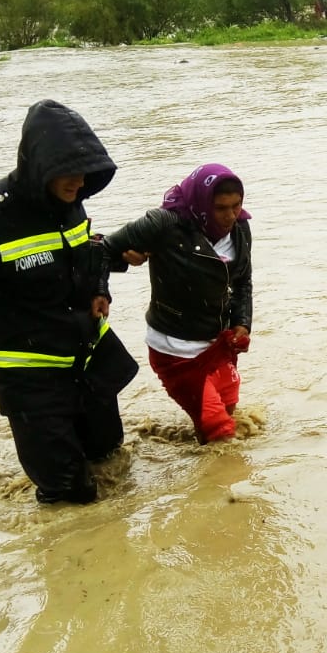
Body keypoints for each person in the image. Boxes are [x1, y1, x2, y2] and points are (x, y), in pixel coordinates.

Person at [0, 99, 138, 504]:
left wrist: (100, 286)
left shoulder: (70, 202)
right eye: (69, 171)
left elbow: (85, 252)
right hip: (31, 382)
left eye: (86, 171)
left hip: (86, 361)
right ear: (40, 165)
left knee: (109, 455)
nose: (79, 181)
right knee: (71, 496)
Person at [104, 164, 253, 444]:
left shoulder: (240, 229)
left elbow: (243, 282)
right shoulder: (164, 224)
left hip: (217, 344)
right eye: (221, 208)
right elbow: (101, 249)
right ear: (202, 203)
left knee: (228, 415)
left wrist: (242, 323)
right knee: (219, 432)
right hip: (175, 349)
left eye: (237, 205)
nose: (231, 216)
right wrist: (123, 263)